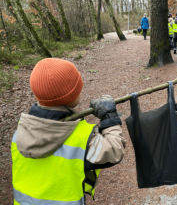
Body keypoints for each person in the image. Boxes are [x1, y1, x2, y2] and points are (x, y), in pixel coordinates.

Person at [11, 58, 126, 204]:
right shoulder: (81, 136)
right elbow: (114, 150)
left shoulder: (21, 130)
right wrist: (109, 117)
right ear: (70, 97)